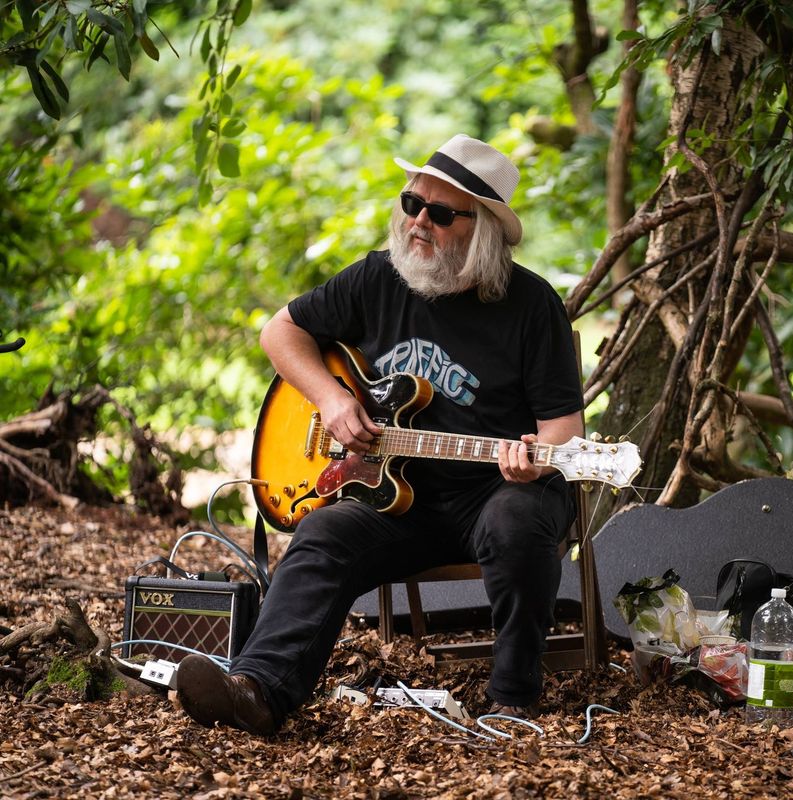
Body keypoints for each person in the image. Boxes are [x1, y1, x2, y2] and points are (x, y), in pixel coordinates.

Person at [176, 134, 584, 736]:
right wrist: (332, 397)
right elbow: (279, 333)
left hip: (497, 491)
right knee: (321, 534)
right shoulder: (378, 277)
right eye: (411, 202)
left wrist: (534, 461)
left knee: (515, 520)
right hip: (397, 497)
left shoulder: (532, 306)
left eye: (440, 214)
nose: (418, 221)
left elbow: (563, 429)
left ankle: (512, 700)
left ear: (484, 231)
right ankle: (256, 691)